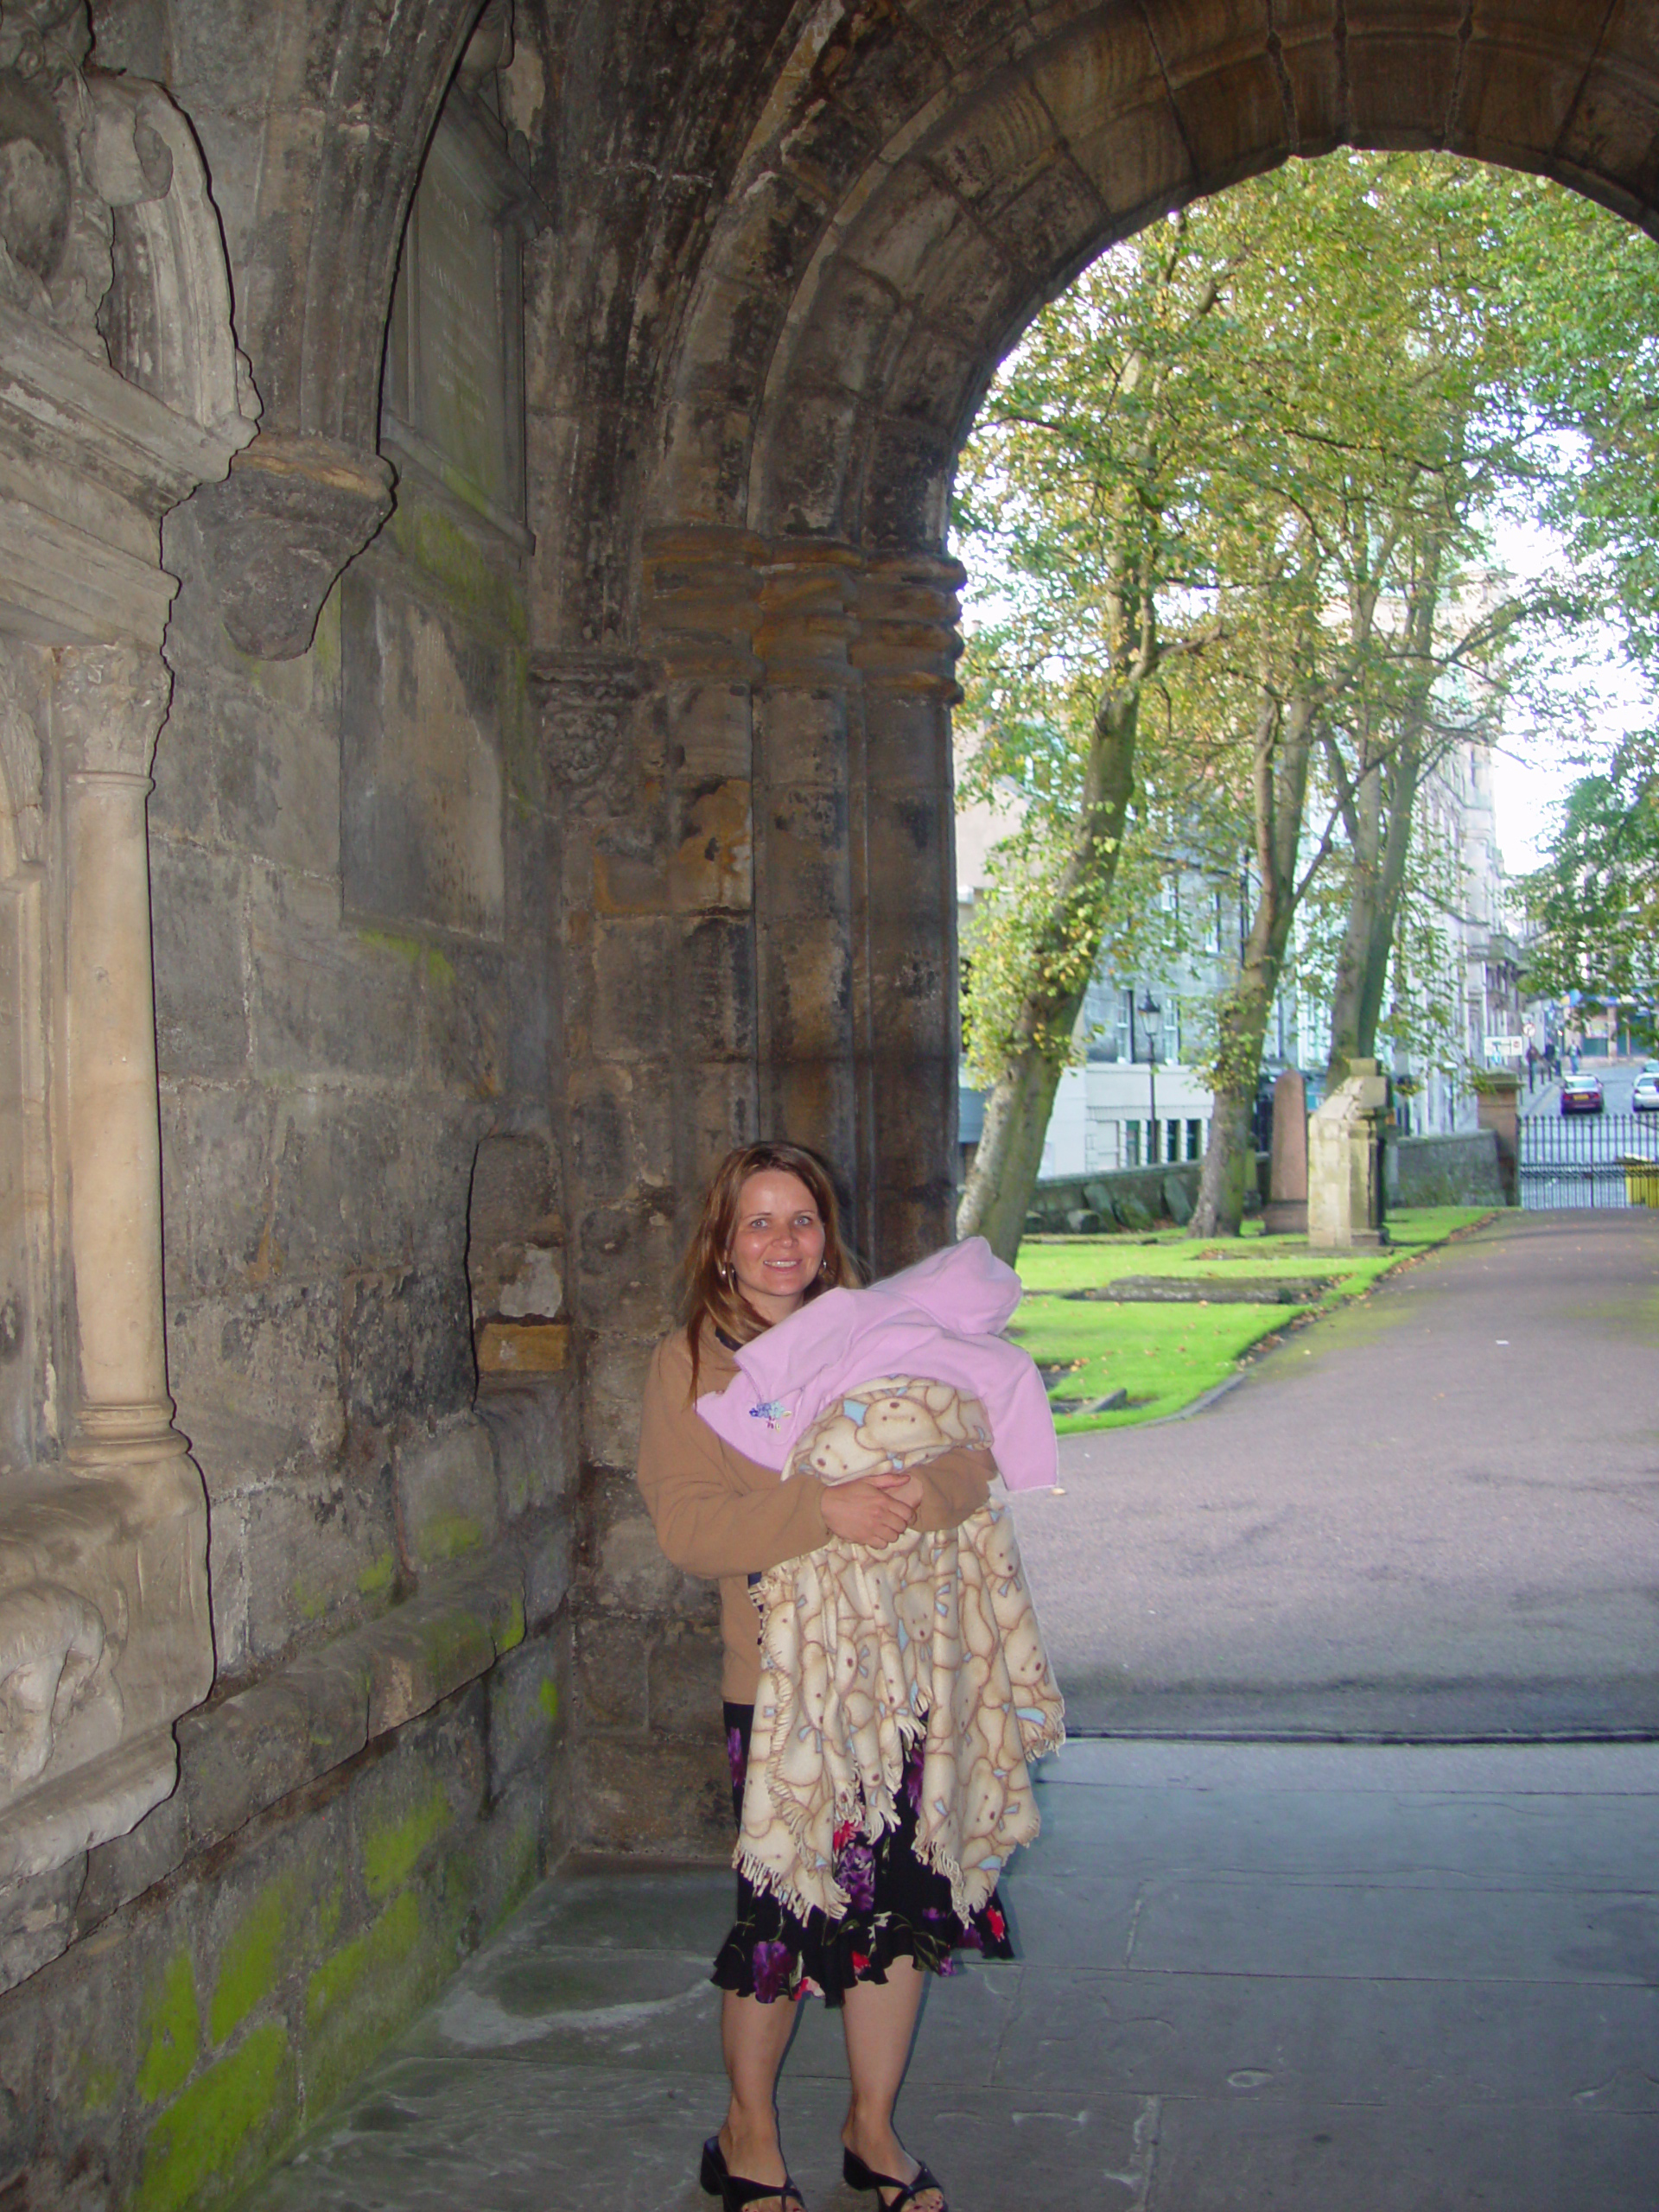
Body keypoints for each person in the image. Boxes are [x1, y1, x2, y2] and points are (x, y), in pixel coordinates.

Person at [637, 1142, 1010, 2212]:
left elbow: (973, 1453)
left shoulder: (889, 1333)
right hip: (783, 1684)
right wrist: (821, 1510)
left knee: (894, 1910)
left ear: (826, 1233)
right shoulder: (688, 1365)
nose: (781, 1241)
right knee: (785, 1920)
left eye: (800, 1219)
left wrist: (907, 1494)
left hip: (900, 1675)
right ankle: (746, 2134)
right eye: (758, 1222)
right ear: (722, 1244)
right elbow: (686, 1525)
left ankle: (871, 2130)